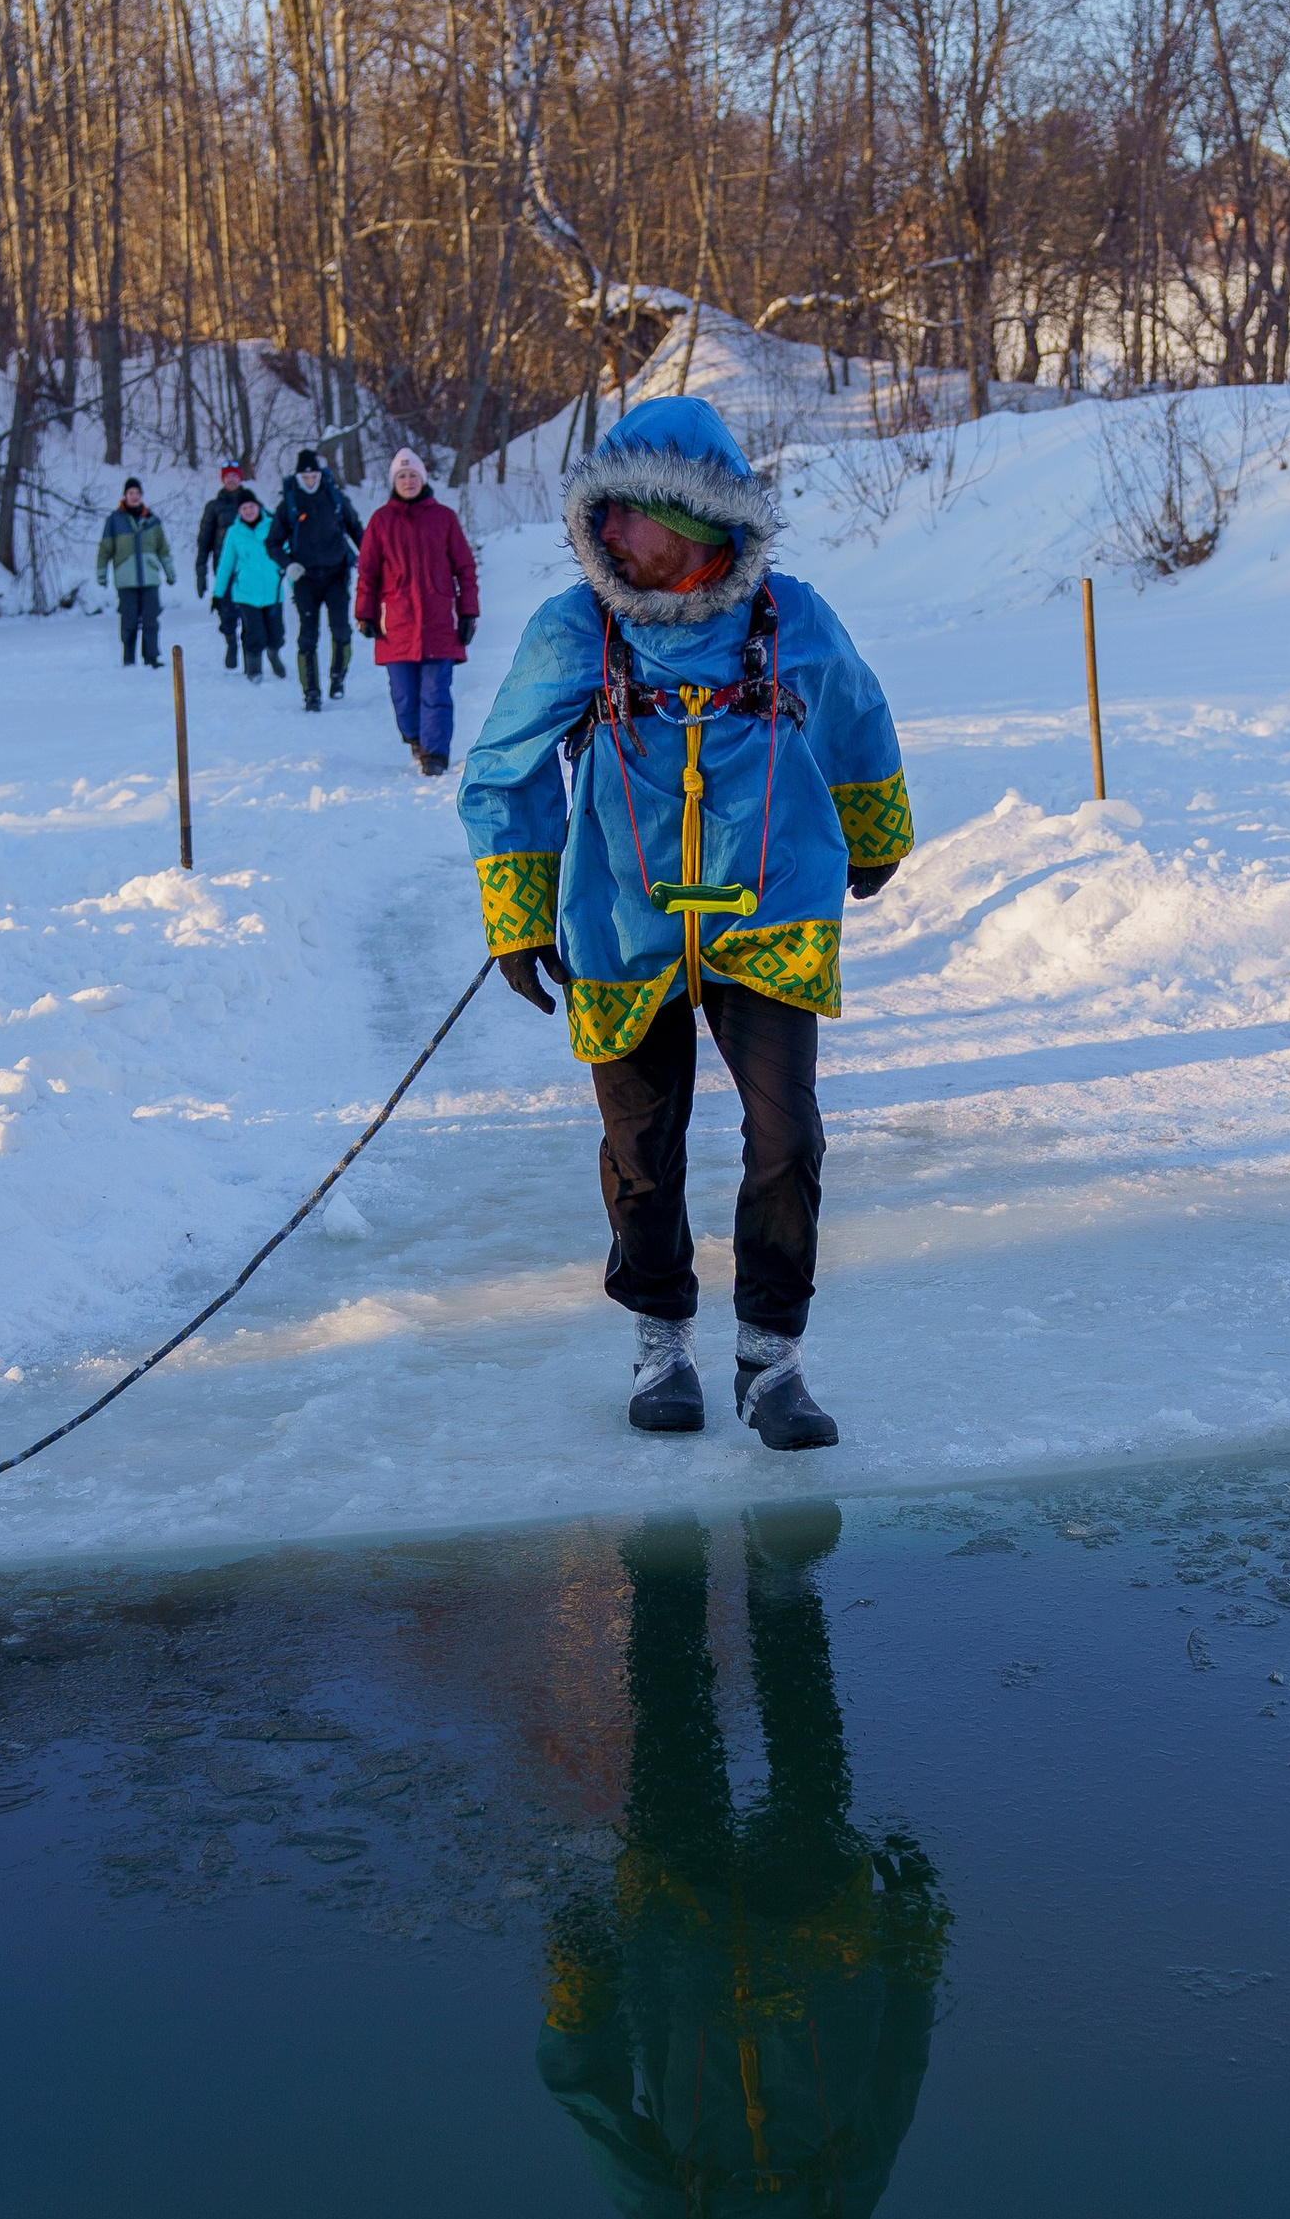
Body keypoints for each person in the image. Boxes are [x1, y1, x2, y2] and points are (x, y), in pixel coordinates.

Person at [457, 393, 912, 1450]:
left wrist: (872, 824)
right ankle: (660, 1339)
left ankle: (772, 1360)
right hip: (623, 924)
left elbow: (854, 712)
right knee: (642, 1151)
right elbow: (503, 771)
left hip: (771, 918)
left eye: (627, 514)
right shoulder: (575, 629)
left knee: (786, 1136)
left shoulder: (792, 616)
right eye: (597, 512)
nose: (603, 533)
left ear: (697, 524)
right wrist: (517, 916)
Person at [537, 1508, 946, 2219]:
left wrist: (579, 2005)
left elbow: (589, 2096)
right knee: (802, 1763)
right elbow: (896, 2070)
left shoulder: (668, 2211)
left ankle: (679, 1574)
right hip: (817, 1947)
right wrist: (912, 1952)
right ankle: (768, 1579)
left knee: (682, 1747)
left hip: (681, 1948)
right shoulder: (847, 2197)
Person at [355, 448, 477, 777]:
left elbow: (465, 569)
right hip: (395, 624)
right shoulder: (381, 521)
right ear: (394, 482)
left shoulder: (444, 518)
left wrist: (468, 613)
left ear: (423, 479)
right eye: (401, 476)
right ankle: (415, 737)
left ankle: (435, 754)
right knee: (404, 695)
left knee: (435, 692)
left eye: (413, 475)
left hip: (439, 622)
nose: (408, 481)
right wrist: (364, 614)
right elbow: (367, 572)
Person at [274, 444, 362, 713]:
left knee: (341, 630)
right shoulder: (289, 503)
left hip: (337, 575)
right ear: (299, 477)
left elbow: (358, 532)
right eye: (305, 477)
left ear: (321, 475)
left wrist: (370, 562)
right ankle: (310, 692)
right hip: (306, 579)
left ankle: (338, 676)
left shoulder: (335, 498)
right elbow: (273, 543)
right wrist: (288, 565)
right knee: (307, 637)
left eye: (314, 476)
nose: (310, 480)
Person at [214, 488, 288, 683]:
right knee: (255, 634)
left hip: (272, 592)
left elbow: (287, 554)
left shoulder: (273, 525)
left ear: (258, 507)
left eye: (251, 506)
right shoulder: (234, 532)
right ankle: (254, 669)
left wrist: (296, 583)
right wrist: (218, 593)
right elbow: (226, 564)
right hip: (246, 593)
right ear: (239, 511)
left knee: (276, 633)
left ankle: (274, 654)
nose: (248, 511)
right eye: (244, 508)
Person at [94, 478, 170, 668]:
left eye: (137, 493)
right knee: (129, 621)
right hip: (126, 579)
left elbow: (163, 549)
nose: (134, 497)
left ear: (141, 495)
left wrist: (170, 571)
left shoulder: (152, 520)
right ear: (125, 496)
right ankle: (129, 658)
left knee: (151, 620)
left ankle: (151, 657)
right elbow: (105, 549)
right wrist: (102, 573)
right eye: (131, 493)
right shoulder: (114, 520)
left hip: (150, 577)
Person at [194, 460, 247, 669]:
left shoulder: (250, 503)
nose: (231, 480)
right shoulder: (214, 507)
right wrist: (200, 572)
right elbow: (204, 540)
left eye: (234, 476)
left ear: (240, 478)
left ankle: (248, 647)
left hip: (247, 569)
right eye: (227, 477)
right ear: (222, 480)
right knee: (226, 609)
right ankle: (231, 643)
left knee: (248, 609)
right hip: (223, 568)